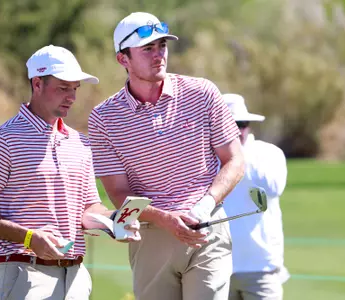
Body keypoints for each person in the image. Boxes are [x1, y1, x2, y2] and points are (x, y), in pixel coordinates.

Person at [0, 45, 140, 300]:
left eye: (75, 89)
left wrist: (113, 222)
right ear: (37, 84)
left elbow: (89, 207)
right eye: (63, 88)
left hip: (75, 277)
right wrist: (30, 238)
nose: (72, 97)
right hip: (26, 274)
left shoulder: (81, 143)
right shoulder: (4, 141)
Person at [87, 12, 246, 300]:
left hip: (206, 229)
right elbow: (119, 193)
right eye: (147, 48)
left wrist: (204, 205)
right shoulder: (104, 118)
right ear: (123, 59)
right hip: (150, 237)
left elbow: (235, 160)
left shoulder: (203, 93)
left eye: (162, 46)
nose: (158, 54)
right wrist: (165, 218)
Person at [221, 93, 289, 300]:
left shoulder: (268, 153)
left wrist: (240, 156)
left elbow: (273, 188)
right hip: (218, 266)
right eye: (230, 124)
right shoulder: (206, 158)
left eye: (242, 124)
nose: (238, 130)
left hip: (261, 266)